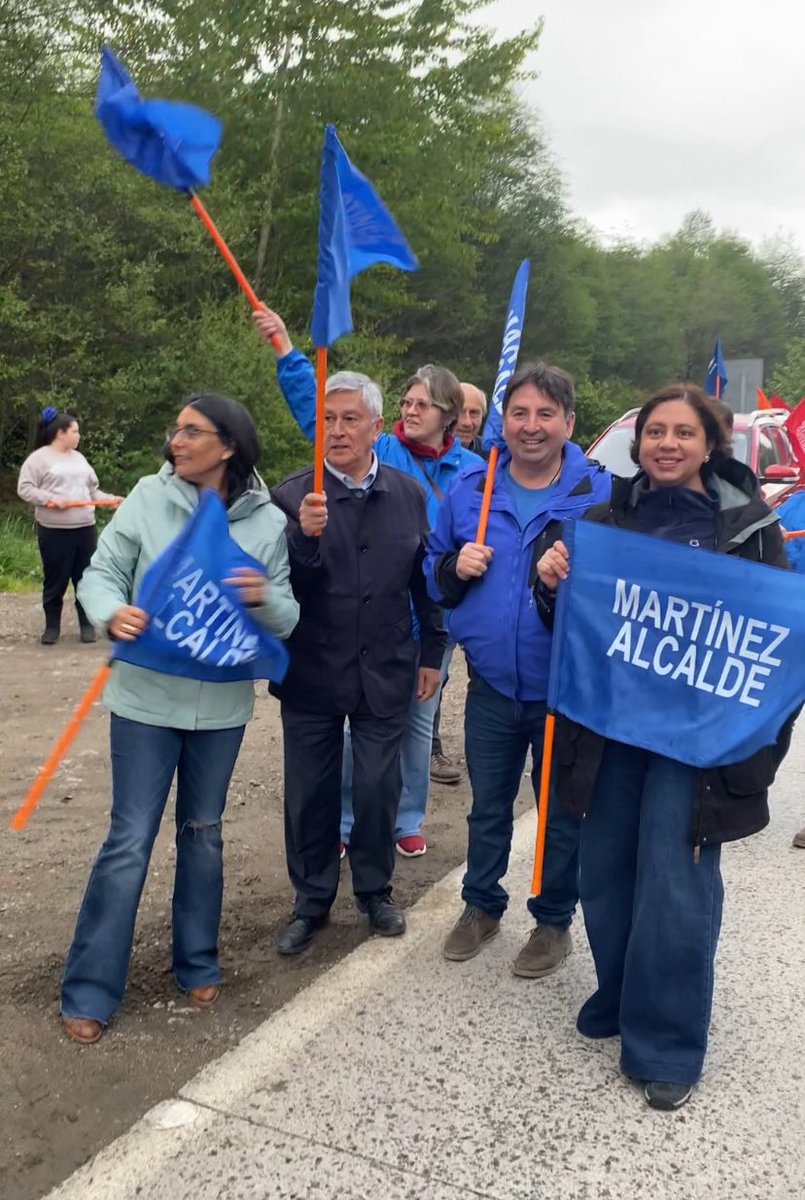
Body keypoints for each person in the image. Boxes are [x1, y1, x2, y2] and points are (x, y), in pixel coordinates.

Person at [536, 383, 794, 1110]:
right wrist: (549, 579)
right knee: (607, 873)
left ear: (708, 444)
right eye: (655, 432)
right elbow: (570, 622)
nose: (666, 444)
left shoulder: (748, 525)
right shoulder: (603, 517)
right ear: (637, 441)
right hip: (611, 730)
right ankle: (618, 999)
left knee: (675, 885)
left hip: (694, 745)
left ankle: (668, 1044)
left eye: (683, 432)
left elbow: (770, 639)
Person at [59, 395, 299, 1045]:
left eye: (192, 432)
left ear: (227, 446)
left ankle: (195, 961)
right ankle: (88, 988)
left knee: (203, 833)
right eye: (177, 430)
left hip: (220, 708)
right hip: (143, 701)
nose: (177, 441)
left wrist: (263, 595)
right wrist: (113, 613)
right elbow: (101, 574)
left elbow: (286, 616)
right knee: (130, 840)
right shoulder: (146, 497)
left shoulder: (266, 522)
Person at [254, 306, 480, 855]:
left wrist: (441, 631)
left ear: (450, 415)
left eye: (422, 403)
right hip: (362, 622)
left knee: (418, 725)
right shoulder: (386, 450)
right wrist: (287, 350)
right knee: (361, 734)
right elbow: (323, 413)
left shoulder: (475, 473)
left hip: (424, 617)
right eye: (405, 402)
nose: (411, 409)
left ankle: (405, 821)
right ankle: (349, 825)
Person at [425, 363, 611, 975]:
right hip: (492, 687)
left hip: (566, 692)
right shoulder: (471, 491)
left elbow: (619, 599)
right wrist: (455, 568)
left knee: (560, 809)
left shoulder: (597, 498)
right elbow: (431, 575)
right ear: (504, 421)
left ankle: (553, 921)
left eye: (546, 414)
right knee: (488, 805)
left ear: (569, 422)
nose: (531, 427)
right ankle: (480, 906)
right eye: (520, 414)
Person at [268, 371, 446, 954]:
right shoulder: (293, 496)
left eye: (349, 420)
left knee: (375, 788)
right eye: (327, 419)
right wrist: (303, 538)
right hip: (312, 670)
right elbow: (279, 591)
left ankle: (375, 891)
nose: (337, 431)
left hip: (388, 667)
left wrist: (432, 653)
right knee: (310, 793)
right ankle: (311, 901)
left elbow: (426, 582)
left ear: (376, 426)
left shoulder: (409, 493)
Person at [17, 407, 122, 644]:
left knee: (85, 578)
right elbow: (25, 488)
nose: (79, 436)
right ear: (60, 433)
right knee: (55, 580)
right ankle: (51, 628)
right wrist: (49, 499)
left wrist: (109, 499)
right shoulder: (39, 459)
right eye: (75, 431)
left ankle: (87, 625)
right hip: (54, 531)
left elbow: (92, 490)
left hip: (85, 529)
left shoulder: (80, 459)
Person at [456, 382, 488, 454]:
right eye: (460, 412)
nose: (467, 423)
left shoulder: (493, 454)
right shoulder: (428, 454)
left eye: (474, 413)